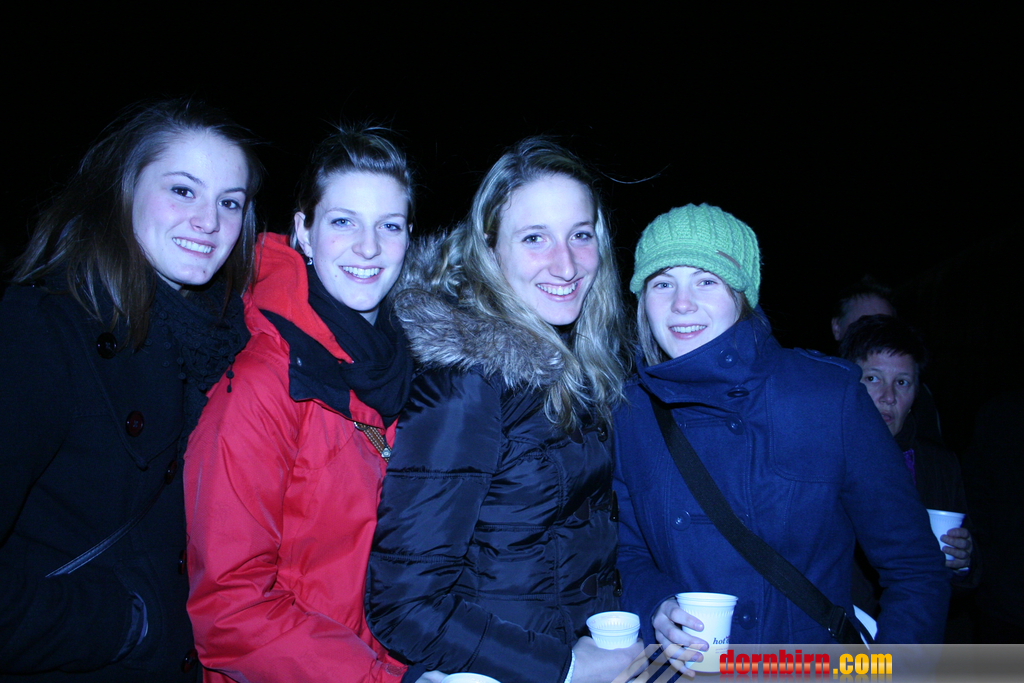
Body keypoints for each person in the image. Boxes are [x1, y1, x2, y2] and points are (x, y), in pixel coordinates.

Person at [614, 204, 950, 674]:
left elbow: (915, 567)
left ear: (742, 295)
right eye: (662, 283)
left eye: (706, 280)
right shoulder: (631, 413)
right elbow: (627, 553)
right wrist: (657, 606)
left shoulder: (825, 396)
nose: (682, 304)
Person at [0, 99, 262, 681]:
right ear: (123, 190)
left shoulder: (231, 343)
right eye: (183, 191)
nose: (208, 221)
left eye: (229, 202)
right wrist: (129, 623)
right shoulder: (43, 331)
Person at [366, 138, 643, 683]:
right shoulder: (467, 382)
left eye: (580, 235)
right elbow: (404, 606)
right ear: (490, 250)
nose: (566, 264)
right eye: (534, 237)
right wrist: (564, 667)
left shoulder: (578, 365)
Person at [183, 127, 423, 683]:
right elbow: (229, 610)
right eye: (343, 222)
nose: (369, 248)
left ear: (408, 238)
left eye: (389, 226)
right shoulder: (264, 386)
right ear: (305, 233)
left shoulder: (413, 369)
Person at [839, 315, 977, 617]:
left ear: (916, 394)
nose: (888, 397)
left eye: (902, 383)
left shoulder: (939, 466)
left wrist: (962, 561)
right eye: (873, 379)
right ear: (846, 380)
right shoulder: (815, 457)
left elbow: (962, 582)